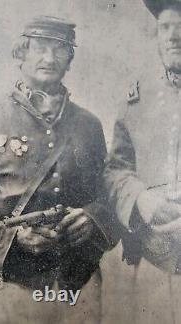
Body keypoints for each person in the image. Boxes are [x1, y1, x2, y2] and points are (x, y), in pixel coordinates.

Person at [0, 16, 117, 323]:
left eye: (59, 49)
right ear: (21, 53)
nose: (49, 58)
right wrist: (12, 240)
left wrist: (93, 219)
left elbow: (111, 196)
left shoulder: (89, 125)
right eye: (40, 47)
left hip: (79, 286)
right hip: (11, 288)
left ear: (69, 59)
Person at [104, 1, 181, 323]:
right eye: (165, 27)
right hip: (156, 257)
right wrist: (142, 199)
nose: (173, 37)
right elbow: (115, 169)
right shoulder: (137, 99)